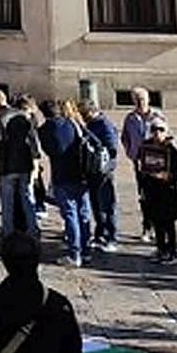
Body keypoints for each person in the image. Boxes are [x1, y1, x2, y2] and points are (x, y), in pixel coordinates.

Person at [39, 100, 93, 268]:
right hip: (81, 172)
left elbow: (49, 151)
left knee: (70, 214)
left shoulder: (44, 130)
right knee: (83, 212)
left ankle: (74, 253)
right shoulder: (72, 123)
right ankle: (86, 250)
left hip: (62, 175)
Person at [0, 90, 41, 239]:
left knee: (7, 203)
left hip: (7, 165)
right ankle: (33, 230)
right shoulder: (23, 115)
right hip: (25, 164)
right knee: (28, 199)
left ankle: (8, 234)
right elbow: (33, 142)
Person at [136, 118, 177, 264]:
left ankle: (172, 252)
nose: (157, 133)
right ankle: (161, 249)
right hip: (151, 191)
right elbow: (141, 164)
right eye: (154, 130)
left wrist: (167, 176)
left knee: (168, 223)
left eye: (161, 130)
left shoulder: (170, 150)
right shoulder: (146, 146)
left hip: (167, 192)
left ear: (166, 131)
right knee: (156, 221)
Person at [79, 99, 119, 253]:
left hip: (104, 171)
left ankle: (111, 237)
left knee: (107, 204)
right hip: (92, 171)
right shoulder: (91, 123)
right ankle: (100, 234)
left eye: (84, 114)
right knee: (96, 204)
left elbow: (110, 148)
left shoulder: (104, 124)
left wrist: (86, 132)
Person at [120, 87, 158, 242]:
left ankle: (158, 226)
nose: (140, 102)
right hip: (140, 162)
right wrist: (131, 152)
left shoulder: (157, 116)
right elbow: (125, 137)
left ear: (148, 99)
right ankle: (146, 227)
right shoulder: (130, 118)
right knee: (144, 196)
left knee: (156, 195)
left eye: (142, 99)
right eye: (137, 99)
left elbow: (167, 135)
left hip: (156, 162)